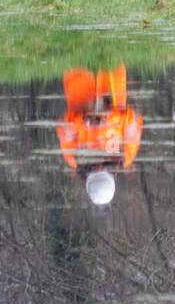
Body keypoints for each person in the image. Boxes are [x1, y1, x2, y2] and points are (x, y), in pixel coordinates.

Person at [55, 64, 142, 206]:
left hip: (78, 79)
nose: (100, 166)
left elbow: (63, 126)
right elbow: (134, 121)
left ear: (88, 176)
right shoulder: (126, 155)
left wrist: (83, 120)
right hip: (112, 77)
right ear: (111, 176)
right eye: (105, 167)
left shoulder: (73, 158)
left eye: (93, 168)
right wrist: (110, 117)